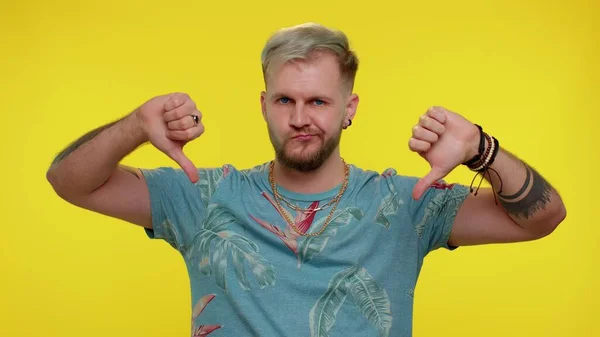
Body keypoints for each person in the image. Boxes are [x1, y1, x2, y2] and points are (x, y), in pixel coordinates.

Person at [46, 22, 566, 337]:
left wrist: (482, 149)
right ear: (264, 105)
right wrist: (136, 125)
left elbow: (543, 219)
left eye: (318, 100)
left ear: (349, 109)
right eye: (285, 100)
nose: (300, 118)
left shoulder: (406, 205)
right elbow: (70, 181)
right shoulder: (202, 197)